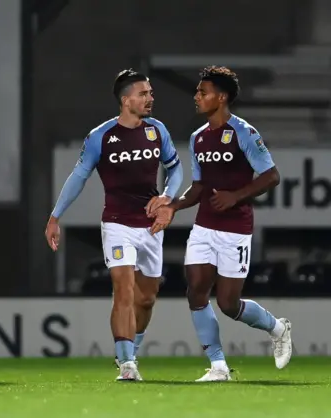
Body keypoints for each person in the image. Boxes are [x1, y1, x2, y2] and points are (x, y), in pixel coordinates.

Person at [154, 66, 292, 382]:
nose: (197, 97)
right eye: (197, 91)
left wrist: (236, 196)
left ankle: (277, 327)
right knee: (196, 291)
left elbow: (272, 176)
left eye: (203, 92)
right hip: (204, 227)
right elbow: (200, 187)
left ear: (222, 96)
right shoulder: (198, 137)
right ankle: (218, 366)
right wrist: (174, 206)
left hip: (236, 229)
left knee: (229, 304)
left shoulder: (243, 132)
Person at [45, 69, 183, 381]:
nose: (150, 98)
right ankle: (127, 363)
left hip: (150, 228)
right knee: (123, 290)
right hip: (117, 224)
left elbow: (176, 168)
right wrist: (55, 216)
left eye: (150, 93)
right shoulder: (101, 137)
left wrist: (167, 197)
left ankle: (130, 348)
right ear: (125, 100)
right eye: (143, 94)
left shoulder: (157, 130)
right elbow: (78, 177)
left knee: (146, 298)